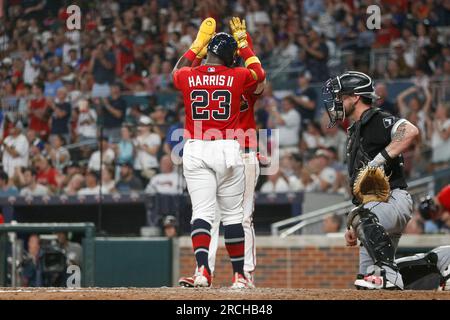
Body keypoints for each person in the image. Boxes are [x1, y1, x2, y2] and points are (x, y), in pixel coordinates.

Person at [172, 17, 264, 288]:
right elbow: (259, 73)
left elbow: (177, 71)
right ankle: (233, 275)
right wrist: (245, 46)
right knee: (233, 217)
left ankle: (210, 271)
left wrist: (195, 48)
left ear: (208, 53)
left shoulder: (191, 74)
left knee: (205, 214)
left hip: (199, 147)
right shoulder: (238, 76)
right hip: (229, 149)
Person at [323, 71, 419, 290]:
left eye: (340, 96)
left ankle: (392, 274)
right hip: (374, 209)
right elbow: (360, 184)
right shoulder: (356, 128)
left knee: (383, 272)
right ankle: (388, 277)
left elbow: (411, 131)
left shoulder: (375, 119)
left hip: (393, 201)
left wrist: (377, 161)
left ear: (355, 97)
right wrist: (354, 226)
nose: (336, 102)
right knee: (367, 282)